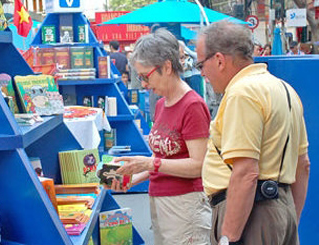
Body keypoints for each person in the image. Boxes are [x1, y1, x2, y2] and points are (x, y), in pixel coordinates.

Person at [196, 20, 310, 245]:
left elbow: (246, 172)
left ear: (219, 60)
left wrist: (229, 236)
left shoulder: (242, 93)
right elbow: (303, 165)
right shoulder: (285, 90)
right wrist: (288, 216)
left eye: (201, 65)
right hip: (280, 207)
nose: (202, 74)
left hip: (248, 214)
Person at [110, 28, 212, 245]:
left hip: (185, 205)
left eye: (146, 76)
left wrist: (149, 163)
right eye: (140, 77)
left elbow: (198, 165)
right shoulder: (161, 104)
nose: (144, 84)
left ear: (167, 67)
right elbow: (164, 160)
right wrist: (133, 177)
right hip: (161, 202)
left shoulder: (192, 105)